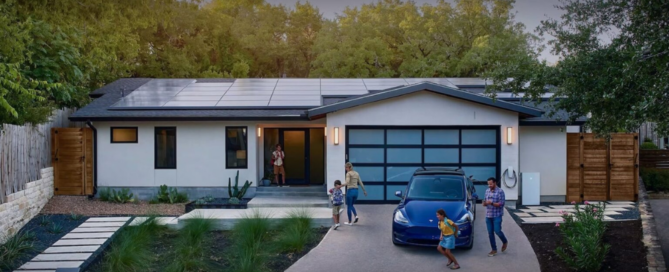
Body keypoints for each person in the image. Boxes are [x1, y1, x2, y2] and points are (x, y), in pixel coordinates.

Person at [483, 177, 508, 257]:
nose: (489, 185)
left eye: (491, 184)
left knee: (497, 231)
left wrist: (492, 203)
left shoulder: (500, 191)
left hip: (497, 215)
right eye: (488, 184)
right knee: (490, 233)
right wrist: (484, 203)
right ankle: (494, 249)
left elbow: (502, 203)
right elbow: (484, 201)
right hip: (488, 215)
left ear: (495, 183)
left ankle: (504, 241)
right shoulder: (487, 191)